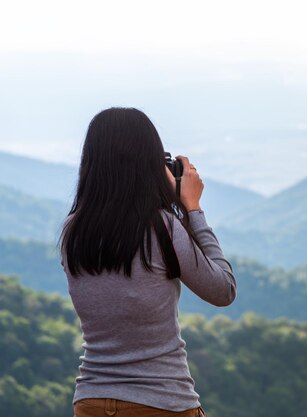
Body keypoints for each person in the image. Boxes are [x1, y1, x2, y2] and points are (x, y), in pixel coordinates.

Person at [59, 107, 237, 417]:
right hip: (161, 402)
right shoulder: (162, 227)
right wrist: (192, 210)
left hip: (90, 401)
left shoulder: (73, 230)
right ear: (150, 164)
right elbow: (223, 290)